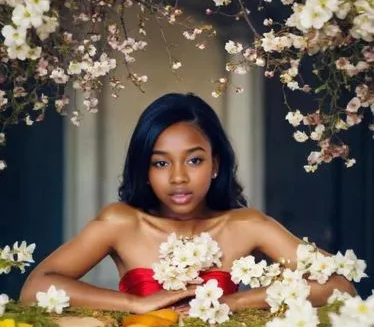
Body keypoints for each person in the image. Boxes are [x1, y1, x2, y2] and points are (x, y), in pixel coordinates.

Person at [20, 93, 355, 313]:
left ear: (216, 165)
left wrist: (236, 302)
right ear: (145, 170)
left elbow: (341, 286)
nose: (178, 177)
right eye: (161, 162)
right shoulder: (121, 223)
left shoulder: (246, 226)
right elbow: (34, 288)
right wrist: (135, 305)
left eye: (194, 161)